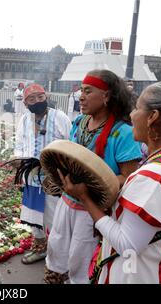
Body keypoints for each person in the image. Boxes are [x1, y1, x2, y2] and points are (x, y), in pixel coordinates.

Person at [59, 81, 161, 283]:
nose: (131, 115)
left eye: (137, 108)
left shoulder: (156, 177)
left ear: (153, 117)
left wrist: (85, 198)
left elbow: (126, 244)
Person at [45, 69, 142, 284]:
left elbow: (128, 177)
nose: (81, 96)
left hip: (94, 211)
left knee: (83, 258)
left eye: (88, 91)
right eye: (81, 90)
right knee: (58, 247)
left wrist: (88, 187)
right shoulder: (79, 122)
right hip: (68, 201)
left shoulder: (123, 133)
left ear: (106, 96)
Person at [13, 83, 72, 264]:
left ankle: (58, 258)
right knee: (33, 216)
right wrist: (18, 159)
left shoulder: (60, 117)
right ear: (25, 103)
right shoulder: (24, 120)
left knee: (56, 218)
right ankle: (40, 249)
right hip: (31, 176)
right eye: (31, 99)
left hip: (54, 178)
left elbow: (71, 145)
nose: (37, 101)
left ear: (46, 97)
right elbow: (20, 144)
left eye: (40, 97)